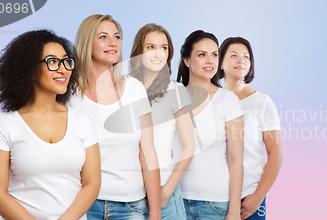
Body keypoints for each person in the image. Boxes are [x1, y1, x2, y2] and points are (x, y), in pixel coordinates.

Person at [0, 29, 101, 220]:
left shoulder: (82, 121)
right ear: (29, 70)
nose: (63, 69)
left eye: (65, 61)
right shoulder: (4, 124)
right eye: (52, 61)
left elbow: (92, 183)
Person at [69, 14, 161, 220]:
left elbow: (147, 154)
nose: (113, 43)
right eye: (103, 37)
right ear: (86, 43)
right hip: (82, 205)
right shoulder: (69, 94)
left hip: (131, 207)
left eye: (117, 37)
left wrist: (155, 211)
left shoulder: (135, 89)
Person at [175, 30, 244, 220]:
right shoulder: (172, 96)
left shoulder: (228, 100)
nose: (210, 61)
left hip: (215, 205)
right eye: (202, 55)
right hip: (174, 201)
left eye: (214, 55)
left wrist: (234, 212)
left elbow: (236, 159)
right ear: (187, 60)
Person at [129, 23, 195, 220]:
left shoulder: (175, 91)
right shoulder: (125, 88)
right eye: (151, 47)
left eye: (163, 48)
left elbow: (189, 148)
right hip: (130, 192)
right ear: (138, 51)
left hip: (163, 189)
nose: (158, 54)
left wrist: (166, 191)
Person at [217, 37, 283, 220]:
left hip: (249, 200)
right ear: (220, 63)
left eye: (246, 56)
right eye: (234, 55)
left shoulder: (262, 103)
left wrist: (258, 197)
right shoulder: (212, 101)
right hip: (213, 199)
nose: (241, 60)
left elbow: (275, 154)